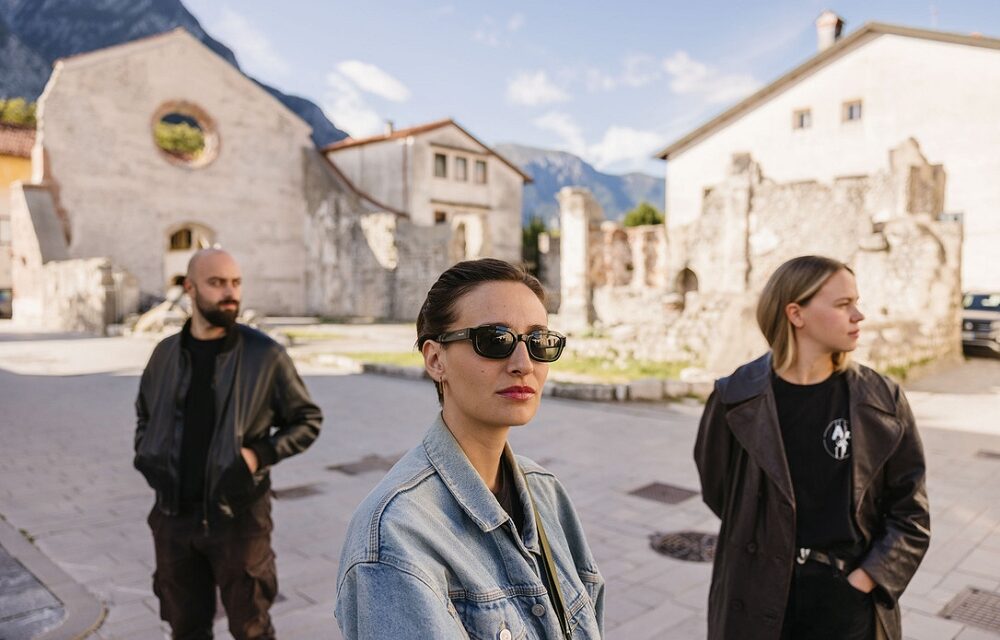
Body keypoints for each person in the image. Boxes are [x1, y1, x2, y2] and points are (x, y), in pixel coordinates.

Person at [335, 258, 604, 640]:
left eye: (538, 341)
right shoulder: (397, 536)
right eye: (495, 341)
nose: (523, 364)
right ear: (435, 359)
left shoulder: (547, 493)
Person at [694, 255, 930, 640]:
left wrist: (862, 582)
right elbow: (721, 493)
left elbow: (911, 514)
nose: (859, 315)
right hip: (757, 595)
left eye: (856, 301)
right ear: (796, 314)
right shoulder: (734, 398)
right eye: (843, 304)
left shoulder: (882, 400)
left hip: (851, 601)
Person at [134, 248, 322, 639]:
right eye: (217, 283)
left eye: (235, 283)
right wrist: (148, 454)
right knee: (185, 627)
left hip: (239, 518)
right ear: (190, 288)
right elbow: (145, 415)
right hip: (173, 518)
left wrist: (257, 455)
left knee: (251, 627)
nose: (230, 293)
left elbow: (307, 420)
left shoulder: (264, 354)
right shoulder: (165, 354)